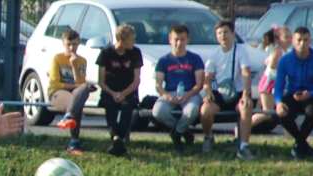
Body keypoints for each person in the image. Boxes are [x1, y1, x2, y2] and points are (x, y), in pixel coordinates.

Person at [199, 20, 255, 160]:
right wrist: (209, 92)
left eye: (226, 32)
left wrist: (246, 94)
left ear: (233, 34)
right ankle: (208, 137)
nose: (223, 36)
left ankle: (243, 146)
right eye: (219, 33)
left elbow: (246, 73)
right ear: (216, 36)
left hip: (238, 93)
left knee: (246, 107)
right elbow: (208, 79)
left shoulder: (241, 51)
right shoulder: (214, 55)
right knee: (205, 110)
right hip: (219, 92)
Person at [274, 27, 313, 160]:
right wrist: (279, 102)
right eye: (299, 40)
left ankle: (299, 145)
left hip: (311, 96)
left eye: (305, 40)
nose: (302, 44)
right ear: (293, 41)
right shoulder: (285, 60)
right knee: (282, 113)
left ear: (310, 41)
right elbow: (278, 86)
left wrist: (310, 94)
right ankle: (302, 145)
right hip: (292, 94)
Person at [152, 25, 204, 153]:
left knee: (191, 111)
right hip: (169, 93)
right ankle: (184, 131)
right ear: (170, 39)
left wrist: (188, 95)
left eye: (182, 39)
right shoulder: (163, 60)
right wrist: (167, 96)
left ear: (188, 40)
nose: (179, 43)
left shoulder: (195, 59)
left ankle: (176, 134)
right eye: (176, 39)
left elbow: (199, 84)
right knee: (158, 112)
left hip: (190, 93)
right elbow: (158, 85)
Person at [95, 23, 142, 157]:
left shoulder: (135, 53)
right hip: (110, 90)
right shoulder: (106, 53)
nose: (134, 42)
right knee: (110, 107)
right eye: (131, 39)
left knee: (128, 107)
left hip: (129, 91)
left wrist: (123, 94)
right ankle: (118, 139)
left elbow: (137, 80)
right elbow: (101, 81)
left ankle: (116, 139)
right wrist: (113, 93)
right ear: (121, 40)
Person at [50, 29, 97, 155]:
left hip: (76, 93)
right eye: (68, 45)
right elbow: (55, 83)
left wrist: (74, 65)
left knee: (84, 89)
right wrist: (75, 86)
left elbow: (81, 83)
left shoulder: (82, 60)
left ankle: (68, 117)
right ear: (63, 44)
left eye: (75, 44)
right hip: (58, 93)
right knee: (76, 101)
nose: (72, 48)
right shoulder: (57, 58)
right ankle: (74, 142)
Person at [252, 25, 291, 132]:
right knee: (267, 113)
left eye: (290, 37)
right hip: (269, 84)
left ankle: (289, 134)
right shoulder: (277, 51)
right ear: (278, 39)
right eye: (286, 37)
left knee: (281, 110)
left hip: (274, 84)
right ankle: (242, 127)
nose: (289, 40)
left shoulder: (285, 51)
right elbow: (273, 67)